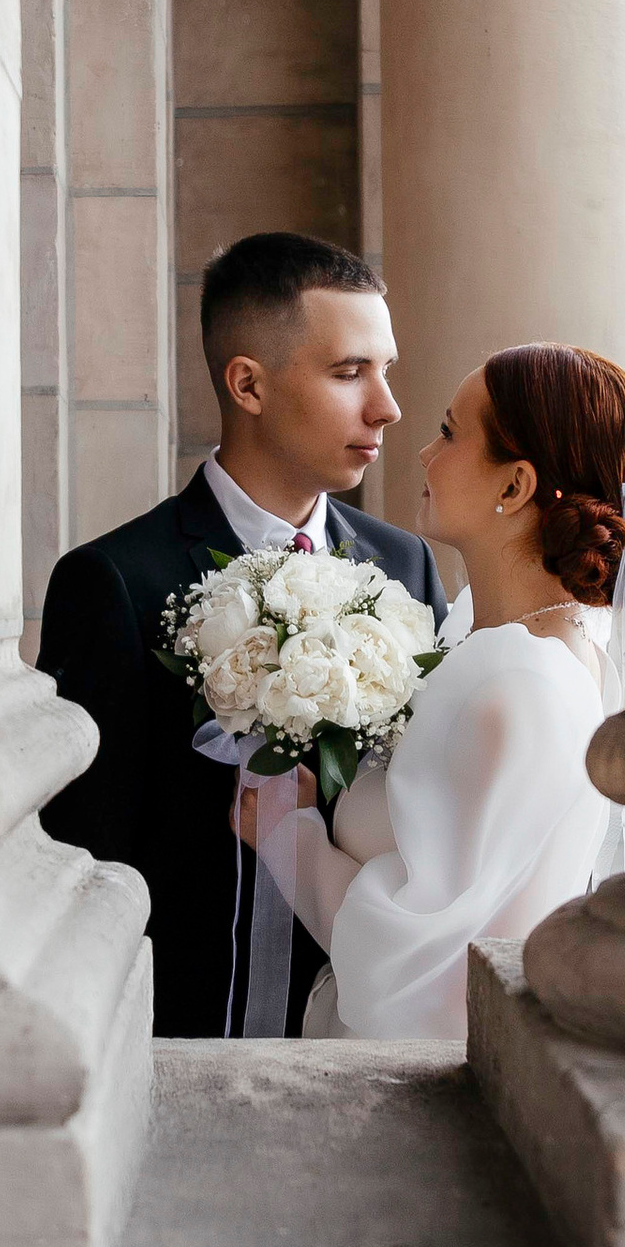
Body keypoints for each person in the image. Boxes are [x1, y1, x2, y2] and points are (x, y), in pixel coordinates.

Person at [37, 232, 446, 1037]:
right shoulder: (115, 580)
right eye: (348, 372)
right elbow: (82, 857)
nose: (387, 407)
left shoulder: (405, 569)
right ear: (248, 385)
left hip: (349, 1031)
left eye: (386, 371)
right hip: (170, 1034)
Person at [270, 341, 625, 1047]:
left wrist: (286, 834)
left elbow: (419, 962)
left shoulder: (518, 682)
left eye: (451, 432)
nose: (424, 451)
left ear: (513, 487)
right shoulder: (487, 641)